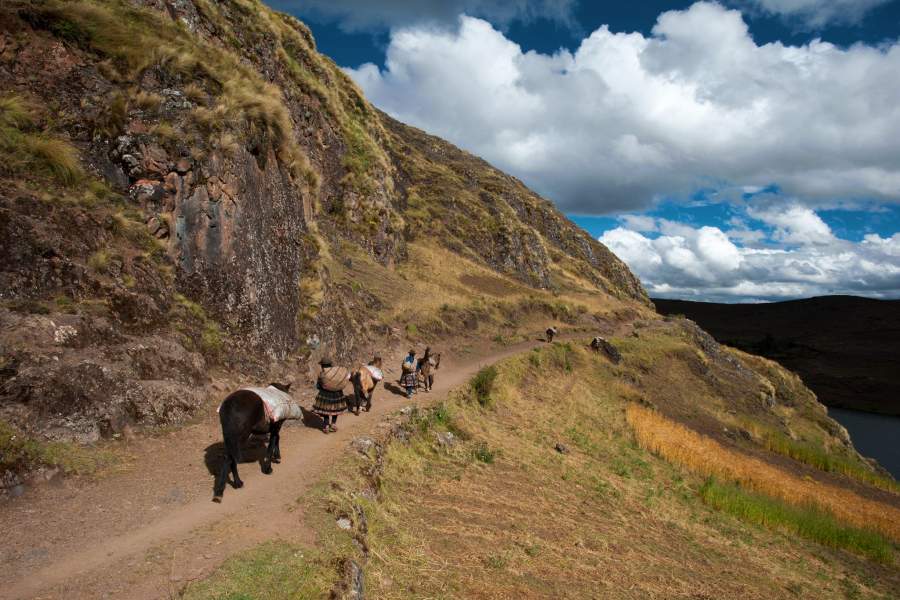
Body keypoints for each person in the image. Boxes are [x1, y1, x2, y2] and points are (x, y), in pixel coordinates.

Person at [314, 357, 349, 433]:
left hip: (325, 394)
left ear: (322, 365)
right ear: (330, 365)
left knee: (325, 410)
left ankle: (326, 425)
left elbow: (318, 386)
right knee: (335, 409)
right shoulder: (337, 373)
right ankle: (333, 424)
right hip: (338, 393)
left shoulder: (322, 374)